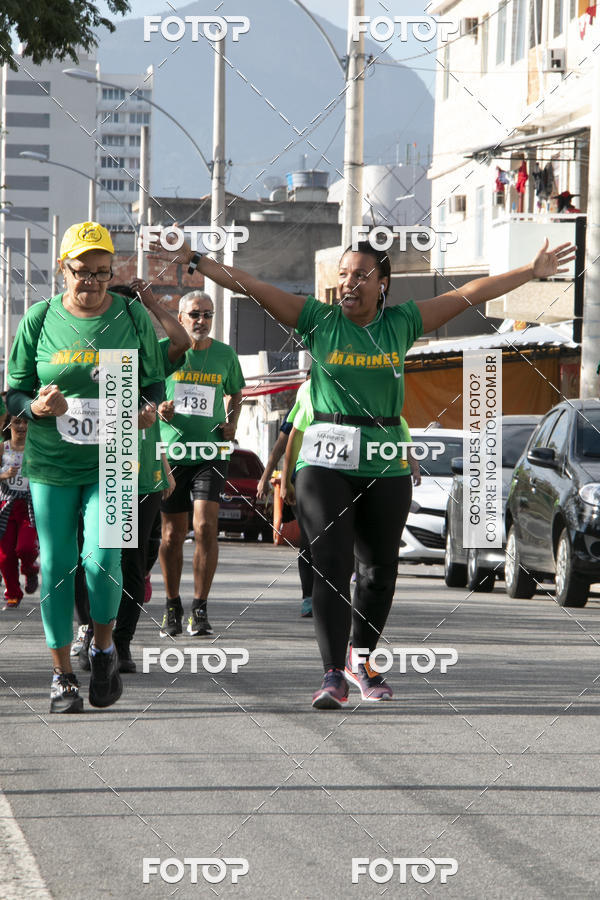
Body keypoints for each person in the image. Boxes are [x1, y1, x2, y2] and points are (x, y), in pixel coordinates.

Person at [150, 232, 575, 709]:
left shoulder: (402, 323)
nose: (348, 284)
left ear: (383, 284)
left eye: (360, 276)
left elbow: (468, 294)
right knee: (333, 564)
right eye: (344, 275)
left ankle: (362, 658)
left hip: (384, 456)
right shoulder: (318, 319)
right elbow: (253, 286)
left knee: (378, 572)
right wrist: (200, 262)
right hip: (325, 458)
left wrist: (531, 271)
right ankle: (331, 672)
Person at [7, 221, 165, 713]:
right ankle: (61, 676)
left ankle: (102, 648)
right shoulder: (38, 319)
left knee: (104, 561)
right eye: (82, 271)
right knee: (56, 565)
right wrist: (35, 408)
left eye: (102, 271)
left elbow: (154, 384)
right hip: (53, 462)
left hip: (114, 459)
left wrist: (145, 408)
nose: (92, 281)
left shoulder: (132, 316)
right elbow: (13, 393)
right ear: (63, 269)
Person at [157, 290, 245, 639]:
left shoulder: (224, 355)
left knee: (206, 526)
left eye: (207, 315)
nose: (201, 321)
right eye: (194, 314)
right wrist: (160, 407)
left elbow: (236, 392)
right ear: (181, 318)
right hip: (171, 454)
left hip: (211, 452)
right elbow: (146, 390)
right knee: (171, 534)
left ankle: (201, 608)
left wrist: (232, 421)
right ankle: (172, 605)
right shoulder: (166, 351)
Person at [110, 280, 185, 673]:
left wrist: (153, 303)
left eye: (131, 312)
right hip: (100, 472)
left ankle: (120, 642)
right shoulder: (90, 353)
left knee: (135, 564)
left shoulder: (150, 357)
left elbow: (181, 340)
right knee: (99, 558)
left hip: (146, 477)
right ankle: (92, 631)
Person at [257, 374, 314, 617]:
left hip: (344, 476)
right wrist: (266, 476)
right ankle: (309, 597)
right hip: (306, 475)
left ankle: (335, 593)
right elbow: (283, 442)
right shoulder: (306, 394)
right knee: (310, 539)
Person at [0, 414, 39, 608]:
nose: (22, 426)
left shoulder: (36, 450)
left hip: (28, 507)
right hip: (6, 506)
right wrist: (3, 474)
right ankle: (13, 593)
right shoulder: (3, 448)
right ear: (9, 425)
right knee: (5, 555)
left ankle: (30, 569)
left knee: (25, 547)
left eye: (26, 422)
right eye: (17, 422)